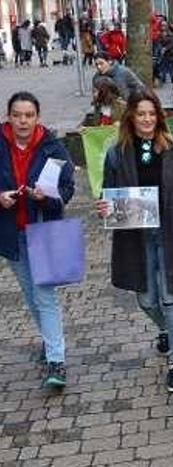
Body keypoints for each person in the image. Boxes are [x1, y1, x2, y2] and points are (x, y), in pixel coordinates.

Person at [96, 90, 173, 392]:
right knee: (146, 300)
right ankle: (165, 330)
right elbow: (107, 195)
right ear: (131, 116)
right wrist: (104, 207)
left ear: (159, 116)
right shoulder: (116, 153)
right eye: (140, 113)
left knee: (170, 299)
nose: (147, 119)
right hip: (136, 236)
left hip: (171, 234)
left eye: (152, 113)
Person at [0, 92, 76, 388]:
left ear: (37, 118)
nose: (23, 120)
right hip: (11, 234)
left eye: (28, 115)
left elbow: (67, 188)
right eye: (17, 114)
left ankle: (56, 360)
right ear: (9, 116)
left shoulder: (52, 147)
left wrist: (47, 198)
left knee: (45, 296)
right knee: (32, 296)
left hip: (42, 231)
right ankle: (49, 342)